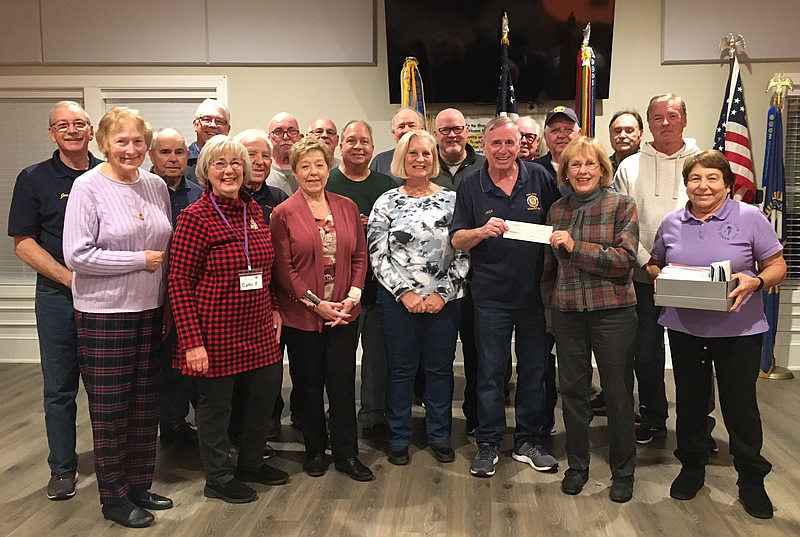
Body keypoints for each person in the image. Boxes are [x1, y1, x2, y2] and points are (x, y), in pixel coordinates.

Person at [648, 150, 786, 519]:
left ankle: (751, 479)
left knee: (740, 406)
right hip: (685, 327)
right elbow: (655, 262)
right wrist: (657, 275)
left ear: (727, 184)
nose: (703, 186)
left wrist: (755, 281)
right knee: (691, 402)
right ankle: (692, 467)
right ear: (686, 184)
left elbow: (777, 266)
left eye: (712, 178)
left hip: (739, 330)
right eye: (695, 178)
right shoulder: (672, 222)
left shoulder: (750, 217)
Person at [62, 107, 173, 528]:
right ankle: (113, 495)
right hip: (105, 313)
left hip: (148, 310)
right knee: (111, 408)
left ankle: (139, 483)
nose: (130, 149)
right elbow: (77, 255)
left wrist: (164, 303)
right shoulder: (86, 186)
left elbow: (163, 250)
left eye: (137, 142)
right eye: (121, 141)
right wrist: (137, 260)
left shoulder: (156, 185)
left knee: (145, 403)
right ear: (103, 143)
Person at [169, 135, 289, 505]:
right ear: (205, 171)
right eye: (220, 163)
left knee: (261, 401)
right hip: (214, 331)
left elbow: (263, 267)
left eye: (236, 163)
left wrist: (272, 306)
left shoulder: (254, 211)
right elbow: (178, 281)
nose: (229, 170)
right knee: (216, 408)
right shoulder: (194, 217)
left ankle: (251, 463)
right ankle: (218, 477)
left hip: (259, 328)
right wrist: (191, 342)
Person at [451, 116, 561, 478]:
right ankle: (488, 443)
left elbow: (559, 219)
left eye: (510, 143)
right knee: (491, 372)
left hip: (535, 295)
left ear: (521, 145)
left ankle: (528, 441)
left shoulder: (540, 178)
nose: (503, 150)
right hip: (490, 296)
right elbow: (456, 240)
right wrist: (480, 231)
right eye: (495, 143)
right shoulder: (470, 184)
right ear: (484, 146)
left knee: (534, 370)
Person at [8, 101, 103, 501]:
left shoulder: (109, 173)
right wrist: (69, 279)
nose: (71, 130)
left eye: (79, 123)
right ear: (52, 134)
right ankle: (62, 467)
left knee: (107, 386)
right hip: (57, 297)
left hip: (107, 298)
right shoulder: (34, 178)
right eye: (62, 125)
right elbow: (23, 243)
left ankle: (113, 461)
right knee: (60, 387)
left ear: (92, 130)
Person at [541, 137, 639, 503]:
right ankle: (577, 466)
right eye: (574, 165)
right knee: (572, 393)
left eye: (589, 164)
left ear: (602, 169)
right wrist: (551, 307)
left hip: (613, 314)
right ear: (565, 172)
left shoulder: (622, 205)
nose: (582, 171)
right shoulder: (556, 210)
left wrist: (574, 247)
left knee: (617, 394)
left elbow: (624, 260)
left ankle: (623, 471)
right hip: (568, 314)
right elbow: (549, 270)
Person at [270, 137, 373, 481]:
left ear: (328, 167)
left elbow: (359, 255)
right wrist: (317, 305)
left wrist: (353, 296)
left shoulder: (345, 206)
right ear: (295, 171)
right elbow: (283, 269)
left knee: (343, 385)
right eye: (305, 166)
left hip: (345, 313)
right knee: (308, 386)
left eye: (319, 165)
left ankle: (347, 454)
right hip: (303, 316)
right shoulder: (283, 213)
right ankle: (315, 450)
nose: (313, 172)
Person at [368, 130, 469, 465]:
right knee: (401, 370)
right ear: (402, 158)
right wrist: (405, 293)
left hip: (445, 301)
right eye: (413, 154)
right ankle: (398, 436)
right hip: (398, 303)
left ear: (434, 158)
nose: (420, 159)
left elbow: (465, 251)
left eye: (426, 153)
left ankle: (439, 434)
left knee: (440, 370)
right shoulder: (386, 202)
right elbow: (377, 256)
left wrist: (443, 292)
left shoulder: (454, 200)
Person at [613, 93, 702, 445]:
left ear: (684, 120)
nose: (665, 123)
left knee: (694, 356)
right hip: (642, 277)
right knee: (646, 353)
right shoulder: (629, 167)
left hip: (692, 279)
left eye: (673, 115)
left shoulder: (704, 162)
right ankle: (652, 416)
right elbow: (622, 224)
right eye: (658, 117)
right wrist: (648, 262)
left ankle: (698, 428)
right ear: (648, 124)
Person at [326, 120, 396, 443]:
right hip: (338, 289)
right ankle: (337, 416)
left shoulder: (387, 184)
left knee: (377, 359)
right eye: (351, 140)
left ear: (372, 147)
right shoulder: (326, 181)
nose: (358, 146)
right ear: (340, 146)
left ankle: (373, 416)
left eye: (364, 141)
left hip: (379, 286)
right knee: (338, 360)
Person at [233, 128, 289, 445]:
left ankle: (266, 424)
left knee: (267, 370)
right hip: (228, 304)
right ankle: (235, 431)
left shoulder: (278, 200)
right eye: (251, 154)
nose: (259, 161)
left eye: (265, 155)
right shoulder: (222, 196)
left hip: (268, 301)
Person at [432, 107, 486, 435]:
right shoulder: (423, 165)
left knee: (478, 354)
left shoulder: (485, 166)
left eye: (457, 129)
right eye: (444, 130)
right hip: (437, 280)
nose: (452, 135)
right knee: (439, 356)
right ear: (435, 133)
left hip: (480, 277)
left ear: (468, 131)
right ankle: (438, 422)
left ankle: (477, 418)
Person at [148, 127, 203, 447]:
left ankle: (183, 423)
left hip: (189, 294)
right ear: (151, 156)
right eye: (165, 152)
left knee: (186, 363)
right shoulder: (141, 191)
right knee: (162, 366)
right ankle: (166, 426)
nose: (172, 159)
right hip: (147, 291)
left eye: (179, 152)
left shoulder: (197, 194)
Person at [589, 109, 644, 415]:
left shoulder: (646, 165)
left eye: (629, 130)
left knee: (641, 349)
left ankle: (637, 407)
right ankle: (613, 397)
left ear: (640, 133)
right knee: (613, 350)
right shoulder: (602, 167)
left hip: (644, 265)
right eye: (617, 131)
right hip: (606, 271)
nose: (622, 136)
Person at [369, 106, 426, 184]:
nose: (406, 130)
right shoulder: (380, 162)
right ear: (394, 133)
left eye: (411, 125)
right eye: (401, 127)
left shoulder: (432, 159)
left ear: (422, 129)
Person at [534, 106, 581, 192]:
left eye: (568, 129)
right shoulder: (533, 171)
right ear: (545, 137)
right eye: (555, 130)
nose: (562, 135)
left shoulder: (590, 169)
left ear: (579, 134)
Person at [186, 99, 231, 183]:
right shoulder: (182, 162)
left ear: (227, 129)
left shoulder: (236, 165)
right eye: (207, 119)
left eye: (219, 121)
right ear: (195, 125)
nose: (213, 125)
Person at [266, 112, 304, 195]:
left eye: (292, 131)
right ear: (269, 138)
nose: (286, 137)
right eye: (278, 132)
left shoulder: (309, 169)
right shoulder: (262, 170)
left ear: (300, 137)